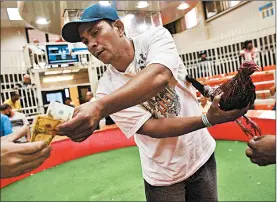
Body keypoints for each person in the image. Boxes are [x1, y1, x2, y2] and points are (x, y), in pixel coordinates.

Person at [59, 4, 248, 201]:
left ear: (119, 27)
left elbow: (160, 76)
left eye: (95, 32)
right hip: (163, 175)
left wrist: (99, 107)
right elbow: (151, 127)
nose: (91, 44)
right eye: (85, 41)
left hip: (200, 154)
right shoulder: (106, 89)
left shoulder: (155, 37)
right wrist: (206, 120)